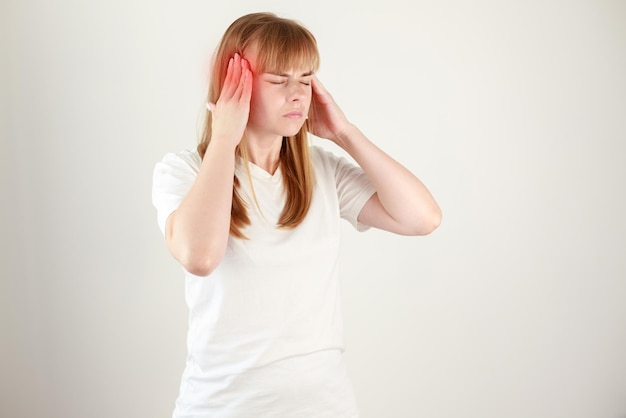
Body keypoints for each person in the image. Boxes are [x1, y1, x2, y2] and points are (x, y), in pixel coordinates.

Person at [152, 11, 441, 418]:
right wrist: (223, 137)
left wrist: (344, 132)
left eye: (305, 79)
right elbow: (200, 256)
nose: (298, 94)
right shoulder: (183, 171)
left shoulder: (321, 170)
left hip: (325, 406)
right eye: (278, 80)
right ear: (235, 84)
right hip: (222, 407)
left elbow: (422, 218)